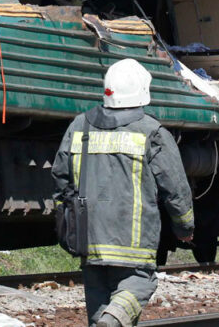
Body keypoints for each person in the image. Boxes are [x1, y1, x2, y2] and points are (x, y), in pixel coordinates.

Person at [52, 58, 195, 327]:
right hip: (132, 237)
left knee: (99, 302)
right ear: (142, 92)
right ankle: (114, 317)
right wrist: (184, 225)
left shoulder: (79, 126)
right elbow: (175, 188)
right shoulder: (151, 132)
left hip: (89, 238)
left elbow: (61, 180)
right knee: (140, 282)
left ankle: (107, 320)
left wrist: (69, 223)